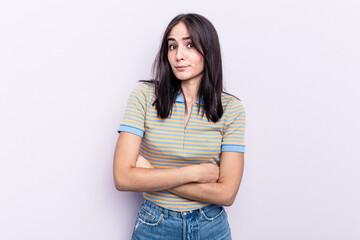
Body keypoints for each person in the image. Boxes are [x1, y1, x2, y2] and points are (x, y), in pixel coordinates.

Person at [113, 13, 246, 240]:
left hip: (210, 224)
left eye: (190, 45)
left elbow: (226, 194)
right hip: (154, 224)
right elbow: (123, 178)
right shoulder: (144, 97)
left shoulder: (232, 109)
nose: (178, 55)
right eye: (172, 46)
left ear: (209, 51)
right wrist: (195, 173)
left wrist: (150, 175)